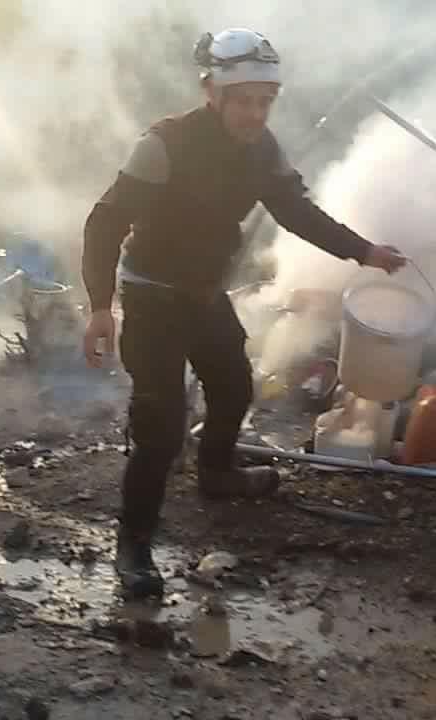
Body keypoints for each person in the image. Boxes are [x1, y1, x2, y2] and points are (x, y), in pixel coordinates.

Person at [81, 28, 406, 599]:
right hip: (152, 296)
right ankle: (133, 546)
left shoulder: (262, 149)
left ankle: (216, 473)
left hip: (205, 295)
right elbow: (105, 222)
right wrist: (100, 307)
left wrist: (366, 252)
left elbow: (295, 211)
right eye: (244, 101)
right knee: (158, 429)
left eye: (265, 101)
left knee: (233, 388)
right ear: (213, 92)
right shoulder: (164, 144)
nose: (256, 114)